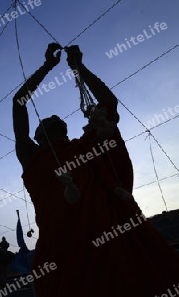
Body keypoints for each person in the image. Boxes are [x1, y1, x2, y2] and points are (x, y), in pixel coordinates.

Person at [12, 43, 179, 297]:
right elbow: (19, 103)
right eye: (45, 121)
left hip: (109, 244)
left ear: (67, 131)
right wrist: (47, 67)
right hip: (61, 252)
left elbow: (108, 103)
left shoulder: (86, 147)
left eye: (57, 120)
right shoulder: (31, 156)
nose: (53, 117)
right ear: (37, 137)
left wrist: (80, 67)